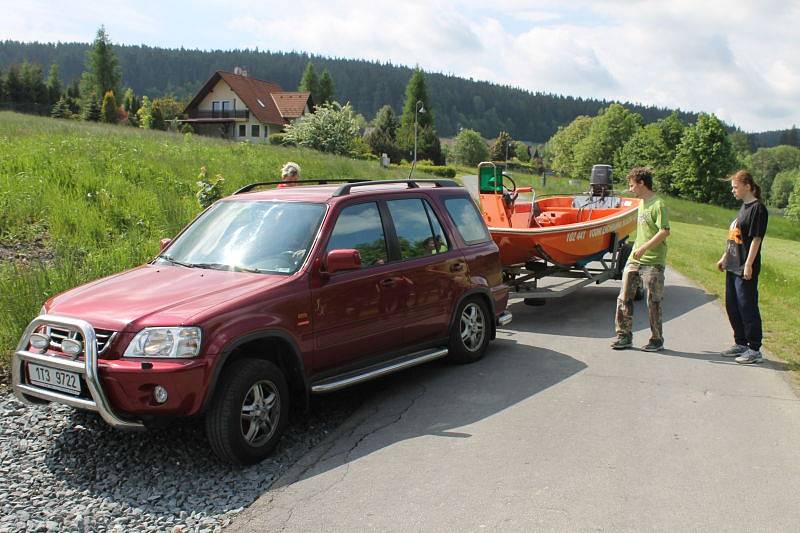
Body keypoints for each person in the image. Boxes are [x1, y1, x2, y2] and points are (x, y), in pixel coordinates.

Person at [612, 167, 671, 351]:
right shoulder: (640, 204)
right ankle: (624, 336)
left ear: (642, 183)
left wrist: (645, 248)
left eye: (632, 185)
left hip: (653, 261)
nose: (630, 189)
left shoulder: (658, 204)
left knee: (653, 301)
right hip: (635, 259)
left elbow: (664, 231)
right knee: (624, 297)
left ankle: (656, 340)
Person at [716, 170, 768, 364]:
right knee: (733, 305)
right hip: (732, 264)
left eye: (736, 187)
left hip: (745, 267)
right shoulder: (743, 208)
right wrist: (724, 257)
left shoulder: (758, 209)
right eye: (732, 188)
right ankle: (741, 343)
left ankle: (754, 349)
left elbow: (756, 239)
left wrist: (749, 264)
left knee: (747, 306)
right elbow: (734, 237)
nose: (733, 191)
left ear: (748, 186)